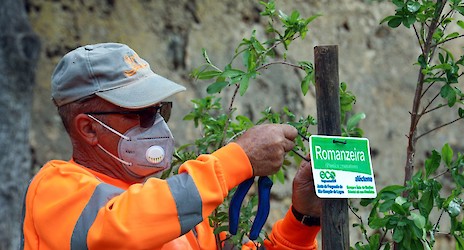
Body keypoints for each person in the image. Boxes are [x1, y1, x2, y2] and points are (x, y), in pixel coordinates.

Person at [20, 42, 321, 249]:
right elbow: (121, 228)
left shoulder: (186, 215)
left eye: (161, 110)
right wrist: (237, 159)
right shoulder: (54, 190)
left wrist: (303, 220)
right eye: (143, 112)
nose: (158, 124)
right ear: (88, 128)